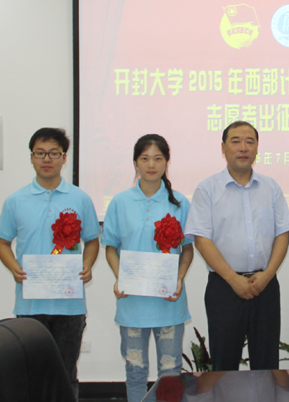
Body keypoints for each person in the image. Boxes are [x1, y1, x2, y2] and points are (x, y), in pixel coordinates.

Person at [0, 127, 100, 400]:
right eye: (40, 153)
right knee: (31, 373)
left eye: (54, 153)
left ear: (64, 158)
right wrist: (13, 267)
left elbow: (92, 241)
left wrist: (88, 265)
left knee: (66, 374)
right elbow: (2, 243)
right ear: (31, 157)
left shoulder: (80, 199)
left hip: (70, 305)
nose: (47, 159)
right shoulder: (15, 201)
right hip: (30, 304)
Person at [185, 121, 289, 371]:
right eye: (235, 141)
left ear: (257, 148)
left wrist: (268, 275)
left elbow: (283, 233)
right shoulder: (207, 189)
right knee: (224, 364)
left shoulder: (271, 187)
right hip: (224, 287)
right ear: (223, 148)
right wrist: (233, 279)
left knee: (266, 364)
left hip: (265, 285)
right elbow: (202, 240)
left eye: (250, 142)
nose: (243, 147)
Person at [101, 134, 193, 402]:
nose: (151, 165)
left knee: (170, 372)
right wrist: (120, 278)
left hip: (168, 301)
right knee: (135, 370)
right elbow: (111, 247)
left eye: (158, 158)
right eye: (145, 158)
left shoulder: (179, 203)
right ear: (135, 163)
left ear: (166, 163)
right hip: (132, 302)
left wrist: (179, 278)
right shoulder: (120, 202)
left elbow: (187, 249)